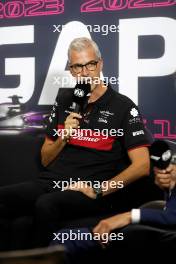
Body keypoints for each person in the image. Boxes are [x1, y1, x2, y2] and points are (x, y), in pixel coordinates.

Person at [0, 37, 150, 250]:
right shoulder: (64, 101)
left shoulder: (123, 106)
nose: (85, 72)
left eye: (90, 64)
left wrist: (100, 189)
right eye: (78, 66)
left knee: (46, 205)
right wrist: (64, 136)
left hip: (88, 189)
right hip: (51, 182)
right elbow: (45, 159)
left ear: (100, 64)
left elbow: (142, 166)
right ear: (71, 70)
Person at [52, 163, 176, 263]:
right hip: (156, 225)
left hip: (153, 235)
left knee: (66, 238)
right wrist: (170, 188)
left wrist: (130, 216)